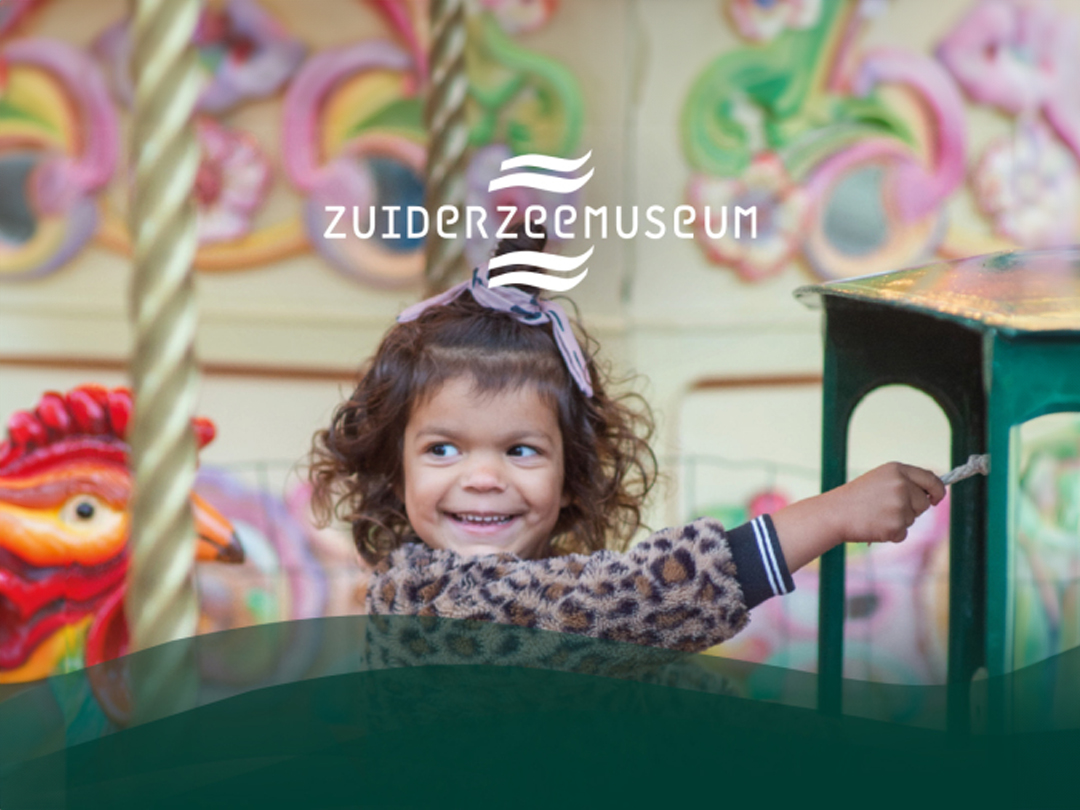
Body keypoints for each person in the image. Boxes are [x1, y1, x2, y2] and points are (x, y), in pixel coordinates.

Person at [309, 232, 945, 653]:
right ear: (394, 470)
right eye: (443, 449)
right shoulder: (430, 601)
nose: (482, 477)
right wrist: (833, 515)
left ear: (571, 473)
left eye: (520, 450)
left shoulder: (534, 586)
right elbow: (628, 602)